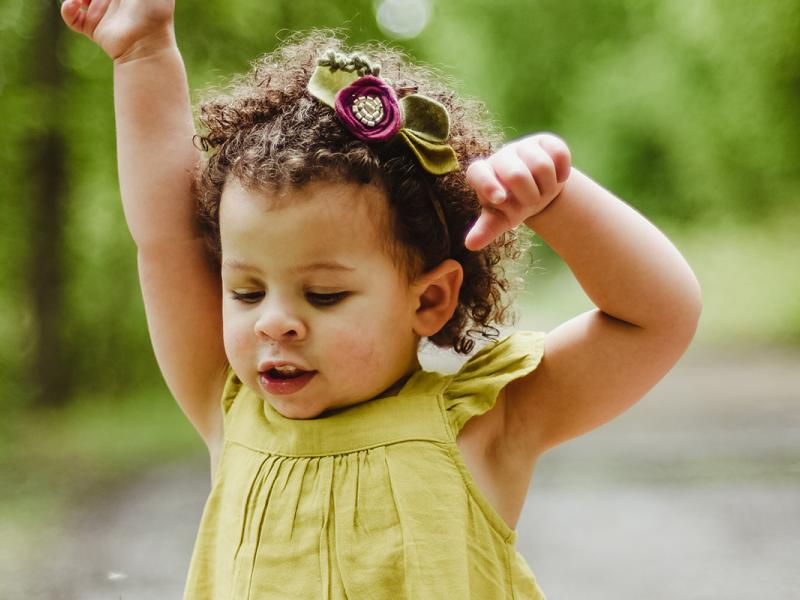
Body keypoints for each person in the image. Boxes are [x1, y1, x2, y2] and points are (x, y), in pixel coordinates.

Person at [60, 1, 702, 598]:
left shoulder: (483, 427)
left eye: (325, 294)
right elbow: (168, 239)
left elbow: (657, 318)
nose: (275, 322)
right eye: (247, 291)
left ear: (430, 300)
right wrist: (143, 52)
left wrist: (558, 203)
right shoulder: (228, 410)